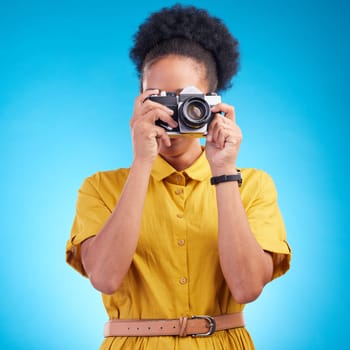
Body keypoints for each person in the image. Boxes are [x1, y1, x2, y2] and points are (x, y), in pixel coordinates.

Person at [66, 4, 291, 350]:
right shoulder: (100, 187)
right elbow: (106, 278)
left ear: (212, 103)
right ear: (140, 100)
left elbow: (247, 288)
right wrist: (142, 163)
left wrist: (224, 171)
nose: (171, 116)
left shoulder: (253, 185)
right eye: (159, 100)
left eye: (185, 101)